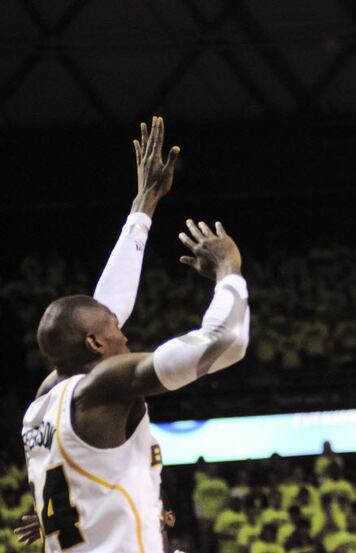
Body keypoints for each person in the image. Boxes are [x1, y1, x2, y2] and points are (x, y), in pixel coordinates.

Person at [19, 117, 251, 553]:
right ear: (95, 345)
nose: (125, 337)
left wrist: (143, 206)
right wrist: (228, 271)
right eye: (116, 332)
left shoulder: (43, 401)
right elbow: (225, 341)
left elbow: (103, 311)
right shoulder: (105, 387)